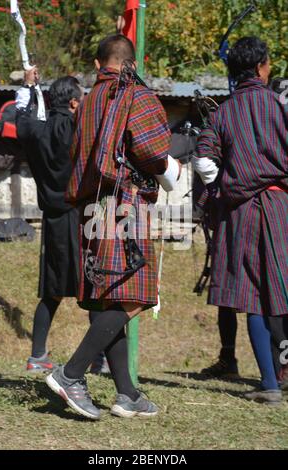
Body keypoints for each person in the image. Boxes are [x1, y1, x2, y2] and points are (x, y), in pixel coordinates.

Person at [45, 34, 180, 420]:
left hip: (91, 210)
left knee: (110, 299)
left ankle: (127, 394)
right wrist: (175, 167)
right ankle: (70, 375)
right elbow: (153, 151)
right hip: (125, 206)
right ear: (131, 63)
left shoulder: (85, 102)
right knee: (135, 297)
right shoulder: (136, 96)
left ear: (96, 64)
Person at [193, 36, 288, 404]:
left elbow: (202, 160)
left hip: (241, 211)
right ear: (262, 67)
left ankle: (269, 385)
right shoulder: (279, 106)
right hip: (281, 207)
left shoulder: (222, 113)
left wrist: (219, 190)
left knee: (252, 296)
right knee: (282, 288)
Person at [16, 71, 83, 372]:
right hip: (82, 216)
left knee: (53, 291)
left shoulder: (35, 131)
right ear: (72, 103)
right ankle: (103, 358)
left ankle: (37, 356)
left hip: (53, 218)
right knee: (95, 288)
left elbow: (20, 118)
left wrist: (28, 87)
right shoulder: (81, 128)